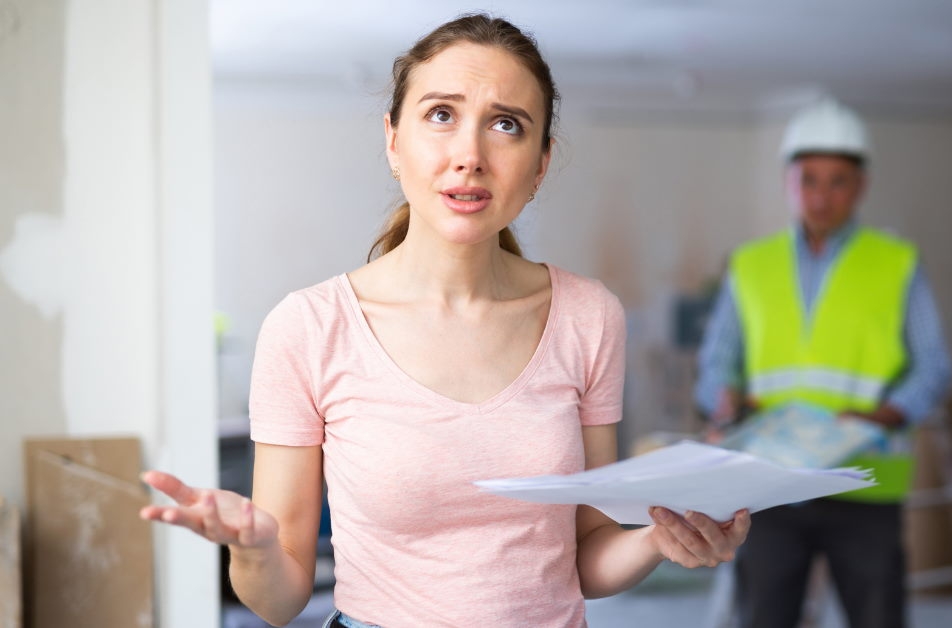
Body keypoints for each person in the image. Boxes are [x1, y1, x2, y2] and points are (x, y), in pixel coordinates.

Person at [140, 14, 750, 628]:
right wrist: (253, 550)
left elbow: (587, 550)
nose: (470, 156)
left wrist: (658, 538)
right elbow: (281, 597)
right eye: (440, 115)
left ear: (540, 165)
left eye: (506, 125)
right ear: (393, 140)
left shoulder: (589, 316)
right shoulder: (307, 328)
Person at [694, 97, 952, 628]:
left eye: (838, 181)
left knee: (878, 617)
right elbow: (717, 364)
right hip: (769, 483)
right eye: (808, 179)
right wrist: (722, 400)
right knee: (763, 618)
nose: (821, 195)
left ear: (861, 186)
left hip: (864, 479)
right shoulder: (750, 265)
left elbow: (934, 367)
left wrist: (882, 417)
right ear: (788, 181)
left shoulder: (896, 263)